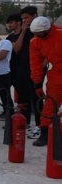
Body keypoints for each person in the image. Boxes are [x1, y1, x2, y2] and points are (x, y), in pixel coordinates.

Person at [29, 16, 62, 146]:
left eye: (39, 33)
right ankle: (44, 134)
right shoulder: (35, 42)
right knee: (50, 105)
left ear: (47, 29)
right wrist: (37, 84)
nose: (37, 35)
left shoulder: (60, 34)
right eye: (35, 33)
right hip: (57, 74)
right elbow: (35, 64)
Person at [18, 7, 43, 139]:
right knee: (23, 95)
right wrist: (22, 31)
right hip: (24, 67)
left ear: (35, 16)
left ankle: (40, 125)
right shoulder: (26, 31)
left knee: (36, 96)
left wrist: (40, 66)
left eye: (26, 17)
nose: (24, 20)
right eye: (22, 18)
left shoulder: (40, 31)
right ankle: (24, 122)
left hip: (36, 69)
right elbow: (17, 49)